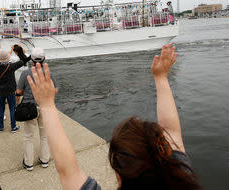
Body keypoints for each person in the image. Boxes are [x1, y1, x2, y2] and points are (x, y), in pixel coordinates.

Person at [27, 44, 202, 190]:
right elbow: (68, 172)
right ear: (165, 155)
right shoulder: (182, 177)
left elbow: (67, 170)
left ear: (119, 176)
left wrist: (46, 104)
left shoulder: (181, 168)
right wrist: (162, 78)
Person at [16, 48, 56, 171]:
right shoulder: (49, 73)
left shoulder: (25, 73)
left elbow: (19, 91)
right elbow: (54, 89)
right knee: (44, 135)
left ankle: (28, 163)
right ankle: (44, 160)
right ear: (44, 59)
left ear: (31, 59)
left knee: (29, 136)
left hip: (30, 107)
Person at [0, 46, 29, 132]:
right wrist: (29, 55)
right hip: (10, 90)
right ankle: (13, 127)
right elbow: (23, 61)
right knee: (12, 109)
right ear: (7, 58)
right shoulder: (11, 66)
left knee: (0, 109)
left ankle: (1, 128)